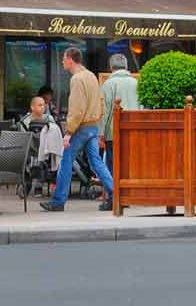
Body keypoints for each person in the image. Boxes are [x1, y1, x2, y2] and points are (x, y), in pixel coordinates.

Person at [40, 47, 114, 212]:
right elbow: (101, 102)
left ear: (70, 60)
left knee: (65, 162)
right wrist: (96, 120)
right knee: (97, 163)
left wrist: (69, 132)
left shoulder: (76, 79)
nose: (62, 61)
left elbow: (77, 109)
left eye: (64, 58)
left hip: (80, 127)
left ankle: (58, 201)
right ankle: (116, 194)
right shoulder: (91, 76)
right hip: (93, 126)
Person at [99, 53, 139, 186]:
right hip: (134, 130)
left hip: (113, 132)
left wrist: (101, 134)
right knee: (131, 163)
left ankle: (114, 196)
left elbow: (106, 111)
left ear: (111, 67)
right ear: (126, 66)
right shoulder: (136, 82)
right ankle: (129, 193)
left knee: (113, 165)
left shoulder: (108, 84)